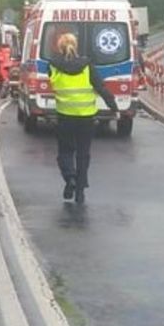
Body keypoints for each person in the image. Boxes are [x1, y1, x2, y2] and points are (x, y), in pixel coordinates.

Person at [49, 32, 119, 204]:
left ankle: (70, 178)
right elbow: (101, 87)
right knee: (83, 154)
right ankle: (80, 191)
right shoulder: (87, 66)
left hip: (65, 116)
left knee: (65, 152)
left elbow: (54, 85)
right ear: (76, 45)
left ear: (59, 47)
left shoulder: (53, 65)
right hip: (86, 117)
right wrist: (114, 107)